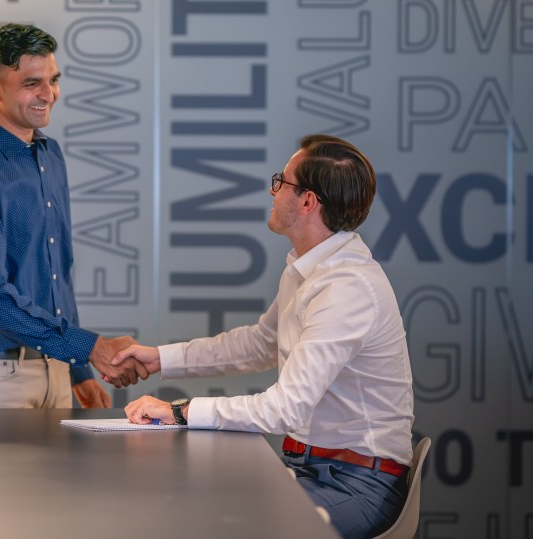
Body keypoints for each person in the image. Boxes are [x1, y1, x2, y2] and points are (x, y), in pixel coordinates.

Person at [113, 135, 414, 539]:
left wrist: (181, 411)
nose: (272, 192)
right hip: (312, 471)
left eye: (281, 182)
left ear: (308, 202)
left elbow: (285, 409)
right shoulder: (310, 271)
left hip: (354, 485)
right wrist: (159, 358)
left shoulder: (347, 287)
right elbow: (258, 344)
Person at [0, 23, 146, 410]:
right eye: (32, 83)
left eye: (54, 80)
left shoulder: (50, 154)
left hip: (57, 369)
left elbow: (57, 274)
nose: (49, 94)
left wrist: (79, 370)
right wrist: (88, 347)